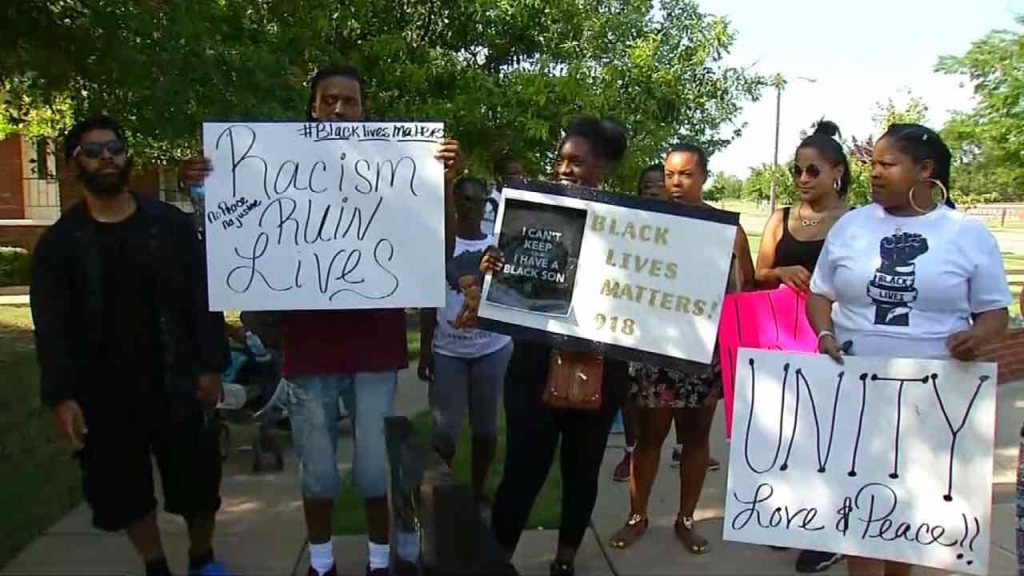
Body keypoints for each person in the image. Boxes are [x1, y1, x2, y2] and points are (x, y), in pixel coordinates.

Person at [180, 64, 462, 576]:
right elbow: (229, 236)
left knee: (375, 466)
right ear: (312, 107)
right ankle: (322, 562)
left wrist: (442, 182)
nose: (338, 109)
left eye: (349, 101)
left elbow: (434, 246)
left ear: (363, 109)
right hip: (308, 347)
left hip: (374, 344)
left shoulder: (395, 167)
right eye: (328, 100)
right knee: (319, 471)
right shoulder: (274, 166)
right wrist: (205, 188)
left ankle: (380, 561)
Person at [808, 123, 1010, 576]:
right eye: (872, 164)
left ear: (925, 170)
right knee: (859, 511)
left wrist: (978, 338)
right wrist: (824, 334)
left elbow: (996, 313)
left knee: (908, 513)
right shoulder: (851, 227)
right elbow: (820, 293)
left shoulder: (967, 235)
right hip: (854, 389)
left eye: (887, 164)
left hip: (934, 398)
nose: (874, 173)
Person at [31, 115, 229, 576]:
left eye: (115, 148)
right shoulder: (59, 247)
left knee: (200, 484)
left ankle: (203, 559)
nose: (107, 159)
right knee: (124, 491)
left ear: (127, 155)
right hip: (105, 393)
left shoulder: (169, 226)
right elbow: (52, 330)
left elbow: (204, 300)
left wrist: (211, 365)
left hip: (177, 380)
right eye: (94, 151)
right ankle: (155, 565)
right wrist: (62, 397)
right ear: (73, 164)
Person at [482, 117, 630, 576]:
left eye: (577, 162)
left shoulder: (629, 224)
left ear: (601, 166)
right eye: (561, 160)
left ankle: (565, 558)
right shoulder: (530, 212)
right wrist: (494, 266)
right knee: (522, 470)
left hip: (601, 366)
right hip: (533, 362)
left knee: (582, 471)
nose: (565, 169)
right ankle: (495, 560)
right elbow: (514, 279)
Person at [609, 144, 754, 553]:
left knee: (695, 438)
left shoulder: (727, 228)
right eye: (671, 174)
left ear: (705, 177)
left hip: (705, 355)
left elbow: (743, 287)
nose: (676, 182)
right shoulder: (647, 223)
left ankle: (686, 519)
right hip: (657, 350)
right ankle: (637, 516)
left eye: (687, 174)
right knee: (650, 436)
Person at [754, 120, 850, 573]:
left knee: (829, 441)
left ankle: (829, 534)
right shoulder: (781, 219)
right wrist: (781, 273)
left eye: (813, 171)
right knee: (786, 433)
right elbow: (757, 274)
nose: (803, 179)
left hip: (833, 341)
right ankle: (791, 517)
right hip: (780, 338)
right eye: (797, 170)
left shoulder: (856, 222)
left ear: (838, 173)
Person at [418, 176, 514, 508]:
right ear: (453, 202)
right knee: (444, 429)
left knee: (486, 428)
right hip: (448, 350)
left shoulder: (498, 245)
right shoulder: (439, 245)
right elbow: (429, 300)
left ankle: (478, 490)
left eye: (474, 199)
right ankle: (441, 491)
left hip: (492, 348)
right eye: (461, 199)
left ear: (486, 202)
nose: (467, 205)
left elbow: (512, 297)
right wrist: (425, 352)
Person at [482, 153, 524, 236]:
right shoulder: (486, 208)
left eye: (520, 174)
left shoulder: (521, 206)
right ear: (499, 177)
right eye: (514, 174)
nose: (520, 178)